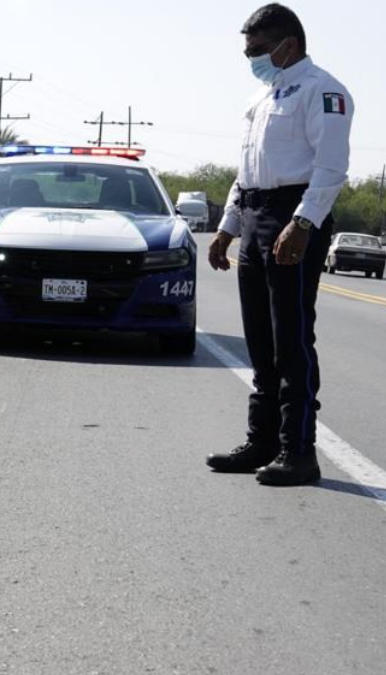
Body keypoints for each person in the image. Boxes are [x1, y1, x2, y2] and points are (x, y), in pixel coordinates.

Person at [205, 4, 352, 486]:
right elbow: (246, 170)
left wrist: (303, 223)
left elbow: (331, 167)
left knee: (291, 337)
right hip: (253, 216)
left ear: (288, 43)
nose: (252, 59)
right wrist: (228, 226)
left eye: (258, 50)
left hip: (293, 216)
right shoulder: (261, 97)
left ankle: (298, 451)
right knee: (259, 339)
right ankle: (262, 441)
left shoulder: (323, 91)